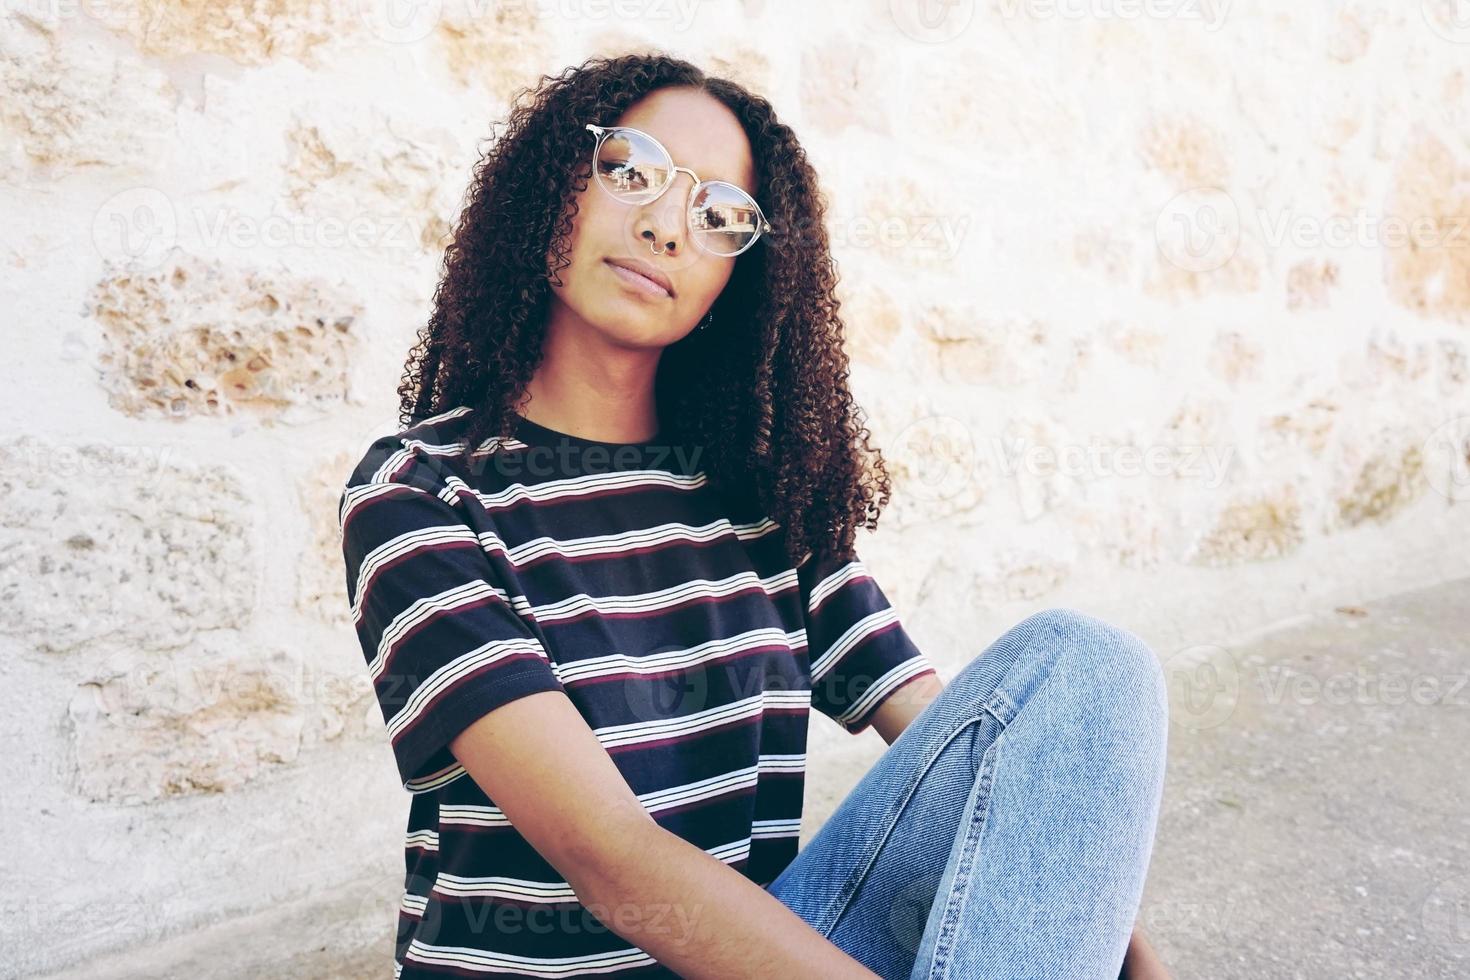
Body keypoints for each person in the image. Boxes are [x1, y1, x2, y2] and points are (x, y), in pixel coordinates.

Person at [338, 52, 1171, 980]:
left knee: (1085, 665)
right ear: (549, 191)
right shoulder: (423, 496)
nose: (665, 228)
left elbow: (987, 765)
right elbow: (608, 858)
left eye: (720, 217)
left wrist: (1118, 959)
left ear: (743, 282)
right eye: (630, 171)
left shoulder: (762, 500)